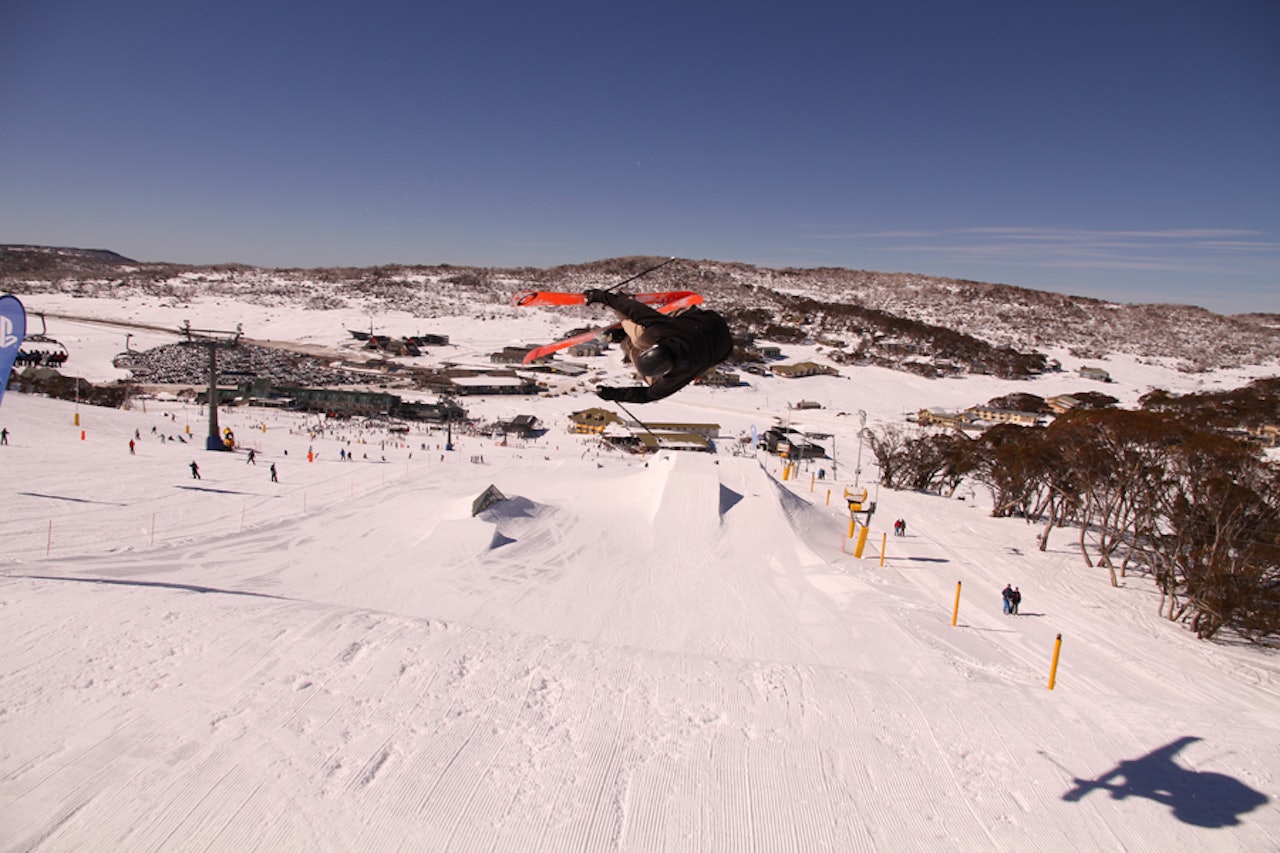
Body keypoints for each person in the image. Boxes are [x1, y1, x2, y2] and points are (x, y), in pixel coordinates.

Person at [584, 289, 734, 404]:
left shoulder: (678, 375)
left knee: (650, 376)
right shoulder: (666, 330)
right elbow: (634, 309)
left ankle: (627, 340)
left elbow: (648, 395)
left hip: (715, 339)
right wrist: (604, 297)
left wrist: (613, 394)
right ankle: (629, 337)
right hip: (702, 321)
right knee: (640, 339)